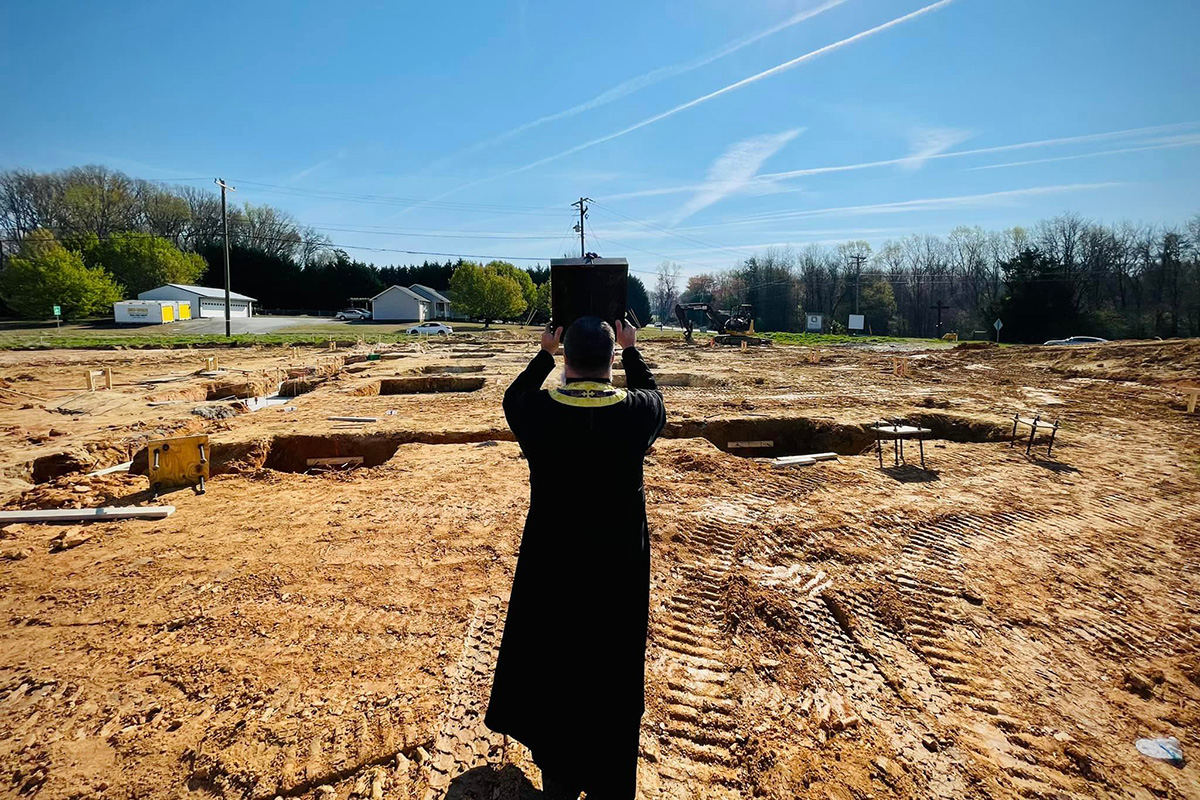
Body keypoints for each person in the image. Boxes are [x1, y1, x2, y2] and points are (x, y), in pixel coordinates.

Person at [485, 316, 666, 799]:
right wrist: (633, 350)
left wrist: (543, 352)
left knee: (558, 664)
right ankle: (609, 779)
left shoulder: (538, 412)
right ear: (611, 359)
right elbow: (657, 400)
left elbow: (512, 398)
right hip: (617, 571)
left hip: (554, 567)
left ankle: (560, 775)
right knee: (612, 668)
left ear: (566, 360)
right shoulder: (636, 414)